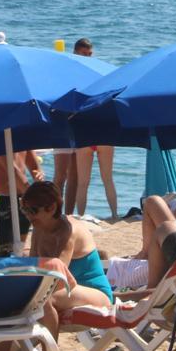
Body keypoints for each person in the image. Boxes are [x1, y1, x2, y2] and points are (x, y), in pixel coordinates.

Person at [21, 182, 112, 332]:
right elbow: (34, 268)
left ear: (51, 208)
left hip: (95, 292)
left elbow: (58, 278)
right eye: (24, 210)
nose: (28, 216)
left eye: (33, 210)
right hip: (68, 290)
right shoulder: (39, 228)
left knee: (44, 299)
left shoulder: (68, 232)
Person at [69, 38, 118, 219]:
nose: (88, 57)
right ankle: (84, 216)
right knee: (85, 182)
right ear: (75, 52)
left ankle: (114, 215)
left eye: (90, 54)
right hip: (92, 133)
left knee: (104, 179)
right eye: (85, 54)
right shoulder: (98, 74)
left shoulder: (74, 75)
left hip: (94, 132)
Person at [0, 150, 44, 256]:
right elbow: (10, 168)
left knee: (18, 250)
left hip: (23, 198)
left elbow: (31, 158)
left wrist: (38, 173)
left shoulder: (21, 134)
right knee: (1, 253)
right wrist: (32, 194)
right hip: (1, 200)